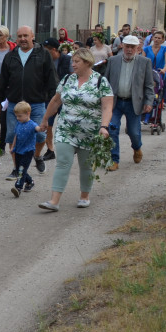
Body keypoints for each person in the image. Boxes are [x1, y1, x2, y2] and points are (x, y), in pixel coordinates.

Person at [36, 48, 114, 211]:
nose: (73, 64)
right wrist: (44, 120)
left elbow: (107, 107)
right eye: (72, 61)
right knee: (63, 163)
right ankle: (54, 201)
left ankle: (84, 196)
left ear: (87, 62)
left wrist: (104, 127)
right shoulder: (67, 79)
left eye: (76, 62)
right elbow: (56, 101)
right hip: (66, 129)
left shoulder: (100, 81)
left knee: (86, 166)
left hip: (89, 132)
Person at [0, 26, 57, 180]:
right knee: (13, 136)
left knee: (40, 136)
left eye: (25, 35)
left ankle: (37, 156)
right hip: (14, 104)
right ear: (16, 38)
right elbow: (3, 81)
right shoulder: (10, 56)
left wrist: (52, 101)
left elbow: (51, 78)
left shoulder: (43, 55)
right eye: (20, 36)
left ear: (32, 36)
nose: (22, 39)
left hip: (36, 103)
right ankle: (17, 169)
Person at [104, 35, 154, 170]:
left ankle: (137, 147)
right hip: (115, 102)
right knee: (112, 130)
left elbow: (149, 85)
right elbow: (105, 81)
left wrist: (149, 101)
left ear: (138, 48)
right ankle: (114, 160)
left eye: (133, 47)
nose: (129, 50)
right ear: (122, 46)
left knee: (134, 132)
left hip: (134, 102)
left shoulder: (145, 62)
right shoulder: (113, 60)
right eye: (127, 46)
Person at [40, 38, 72, 160]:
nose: (44, 53)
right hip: (49, 97)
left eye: (46, 50)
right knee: (48, 123)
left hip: (65, 97)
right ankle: (50, 150)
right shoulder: (44, 61)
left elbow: (73, 76)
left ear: (54, 50)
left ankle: (69, 147)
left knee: (66, 124)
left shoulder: (67, 60)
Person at [0, 26, 17, 154]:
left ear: (6, 36)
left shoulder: (13, 49)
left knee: (4, 118)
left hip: (8, 86)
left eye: (0, 35)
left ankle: (1, 146)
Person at [9, 102, 39, 197]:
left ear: (28, 113)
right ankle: (30, 182)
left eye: (20, 116)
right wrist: (12, 147)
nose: (18, 118)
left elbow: (37, 128)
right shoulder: (19, 123)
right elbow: (16, 135)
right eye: (16, 116)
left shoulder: (32, 124)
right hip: (18, 150)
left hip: (28, 151)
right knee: (19, 169)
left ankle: (18, 187)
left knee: (22, 169)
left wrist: (41, 128)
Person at [144, 30, 166, 111]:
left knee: (158, 93)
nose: (157, 40)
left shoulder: (165, 49)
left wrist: (164, 69)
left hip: (159, 73)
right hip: (148, 73)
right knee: (147, 91)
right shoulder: (146, 49)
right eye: (155, 37)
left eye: (159, 38)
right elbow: (142, 61)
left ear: (162, 40)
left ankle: (157, 113)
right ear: (152, 38)